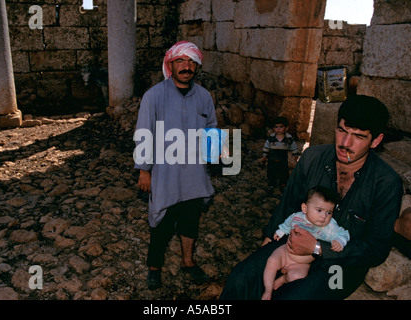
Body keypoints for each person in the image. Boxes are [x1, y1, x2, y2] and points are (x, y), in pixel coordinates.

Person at [220, 95, 403, 300]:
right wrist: (266, 248)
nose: (345, 143)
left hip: (341, 265)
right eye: (342, 131)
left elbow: (375, 249)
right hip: (292, 245)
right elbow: (288, 206)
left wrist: (317, 248)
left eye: (358, 137)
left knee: (295, 297)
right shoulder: (312, 157)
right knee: (240, 279)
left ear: (376, 140)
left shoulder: (386, 183)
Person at [134, 41, 217, 290]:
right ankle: (154, 268)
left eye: (192, 62)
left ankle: (188, 262)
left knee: (191, 219)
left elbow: (211, 127)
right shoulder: (154, 95)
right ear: (171, 64)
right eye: (181, 61)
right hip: (165, 173)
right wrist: (144, 170)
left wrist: (215, 156)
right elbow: (144, 133)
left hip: (194, 173)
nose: (186, 67)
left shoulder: (204, 97)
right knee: (162, 223)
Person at [262, 186, 349, 300]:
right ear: (305, 208)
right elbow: (287, 224)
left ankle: (284, 279)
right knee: (271, 261)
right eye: (319, 210)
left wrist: (339, 241)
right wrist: (281, 231)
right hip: (285, 252)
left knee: (298, 277)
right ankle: (267, 290)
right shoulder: (297, 217)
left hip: (302, 263)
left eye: (329, 212)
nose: (323, 216)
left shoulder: (329, 227)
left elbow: (343, 233)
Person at [260, 116, 299, 193]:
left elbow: (293, 147)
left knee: (283, 172)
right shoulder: (271, 138)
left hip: (283, 159)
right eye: (276, 127)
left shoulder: (288, 139)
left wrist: (295, 155)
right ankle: (271, 184)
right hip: (272, 159)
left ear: (286, 128)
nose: (278, 129)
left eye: (281, 127)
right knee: (271, 172)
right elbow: (266, 147)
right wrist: (264, 155)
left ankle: (283, 184)